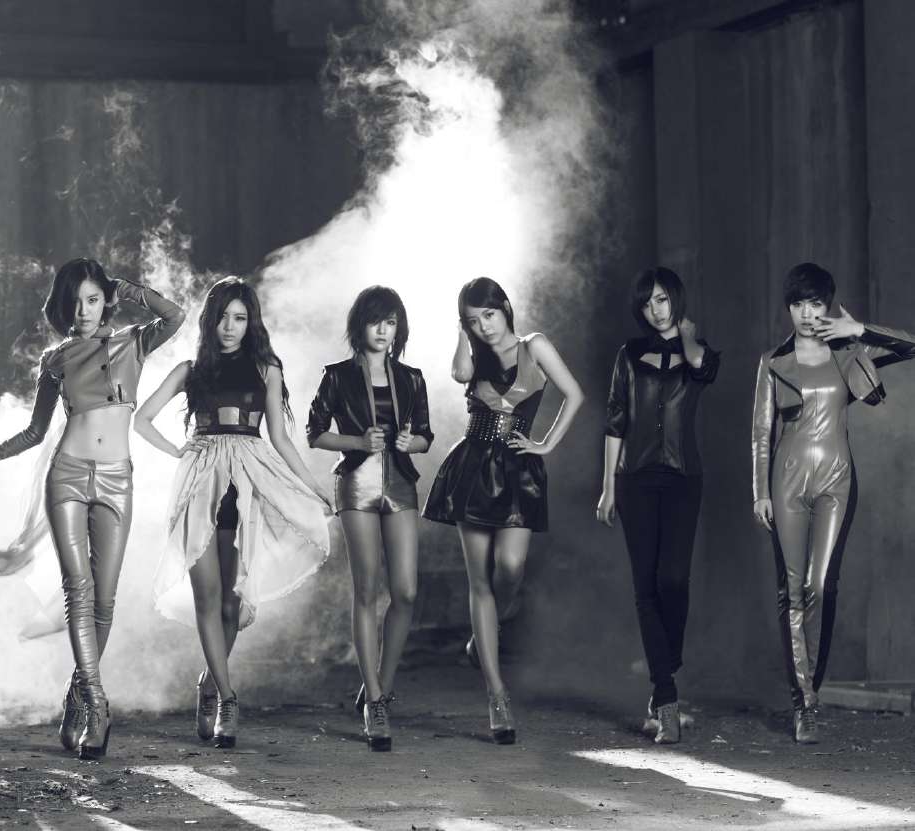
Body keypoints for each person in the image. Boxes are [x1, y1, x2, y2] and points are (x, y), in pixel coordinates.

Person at [0, 258, 184, 759]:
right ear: (62, 307)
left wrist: (122, 288)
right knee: (78, 591)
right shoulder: (55, 359)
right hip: (67, 474)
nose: (83, 310)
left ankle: (76, 694)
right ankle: (96, 700)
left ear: (105, 301)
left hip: (117, 479)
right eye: (74, 302)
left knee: (105, 600)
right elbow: (34, 433)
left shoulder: (134, 342)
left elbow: (175, 315)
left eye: (92, 300)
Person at [137, 276, 332, 749]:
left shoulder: (266, 369)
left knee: (231, 602)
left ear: (251, 323)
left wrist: (313, 489)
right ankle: (227, 698)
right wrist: (178, 451)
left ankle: (209, 682)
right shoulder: (189, 370)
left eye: (240, 318)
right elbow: (141, 419)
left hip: (247, 483)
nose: (230, 326)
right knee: (207, 599)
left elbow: (280, 438)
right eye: (223, 317)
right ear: (210, 321)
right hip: (200, 485)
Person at [752, 262, 915, 743]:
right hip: (786, 483)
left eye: (816, 303)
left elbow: (911, 345)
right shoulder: (772, 361)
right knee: (791, 590)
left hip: (837, 481)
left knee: (821, 587)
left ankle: (811, 688)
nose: (807, 314)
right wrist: (759, 492)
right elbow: (761, 432)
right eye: (798, 304)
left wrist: (859, 328)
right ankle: (804, 703)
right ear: (789, 308)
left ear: (828, 305)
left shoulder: (850, 351)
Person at [423, 277, 584, 744]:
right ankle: (497, 695)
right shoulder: (474, 354)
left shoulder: (536, 346)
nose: (485, 326)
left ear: (506, 308)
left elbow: (574, 395)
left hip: (518, 468)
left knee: (511, 566)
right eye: (474, 320)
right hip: (472, 465)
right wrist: (462, 331)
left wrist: (545, 444)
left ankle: (485, 633)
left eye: (489, 315)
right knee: (480, 581)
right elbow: (458, 374)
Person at [595, 267, 719, 744]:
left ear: (676, 301)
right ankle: (664, 695)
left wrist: (686, 335)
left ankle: (667, 660)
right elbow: (615, 421)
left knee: (673, 580)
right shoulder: (628, 355)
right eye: (647, 303)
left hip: (684, 478)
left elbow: (703, 369)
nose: (655, 310)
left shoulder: (698, 351)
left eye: (663, 299)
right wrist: (608, 487)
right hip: (636, 479)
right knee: (645, 586)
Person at [307, 286, 433, 752]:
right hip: (356, 486)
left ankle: (380, 685)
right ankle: (376, 704)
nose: (383, 330)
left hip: (400, 483)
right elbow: (315, 433)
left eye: (391, 322)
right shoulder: (337, 376)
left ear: (399, 329)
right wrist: (359, 442)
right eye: (376, 321)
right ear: (359, 325)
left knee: (406, 591)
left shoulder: (412, 378)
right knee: (367, 590)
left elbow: (426, 435)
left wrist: (410, 443)